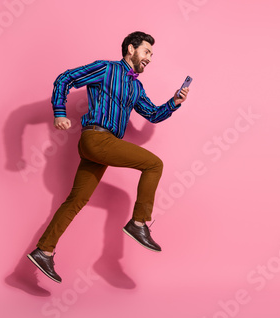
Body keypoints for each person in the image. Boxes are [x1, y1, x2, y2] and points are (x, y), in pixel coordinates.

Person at [27, 31, 189, 283]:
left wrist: (175, 102)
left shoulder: (136, 86)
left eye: (151, 55)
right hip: (96, 139)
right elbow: (65, 79)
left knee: (76, 199)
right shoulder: (105, 69)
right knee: (154, 164)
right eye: (146, 52)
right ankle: (139, 223)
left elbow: (153, 114)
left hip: (104, 145)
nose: (149, 58)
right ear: (131, 49)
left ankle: (44, 250)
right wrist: (59, 112)